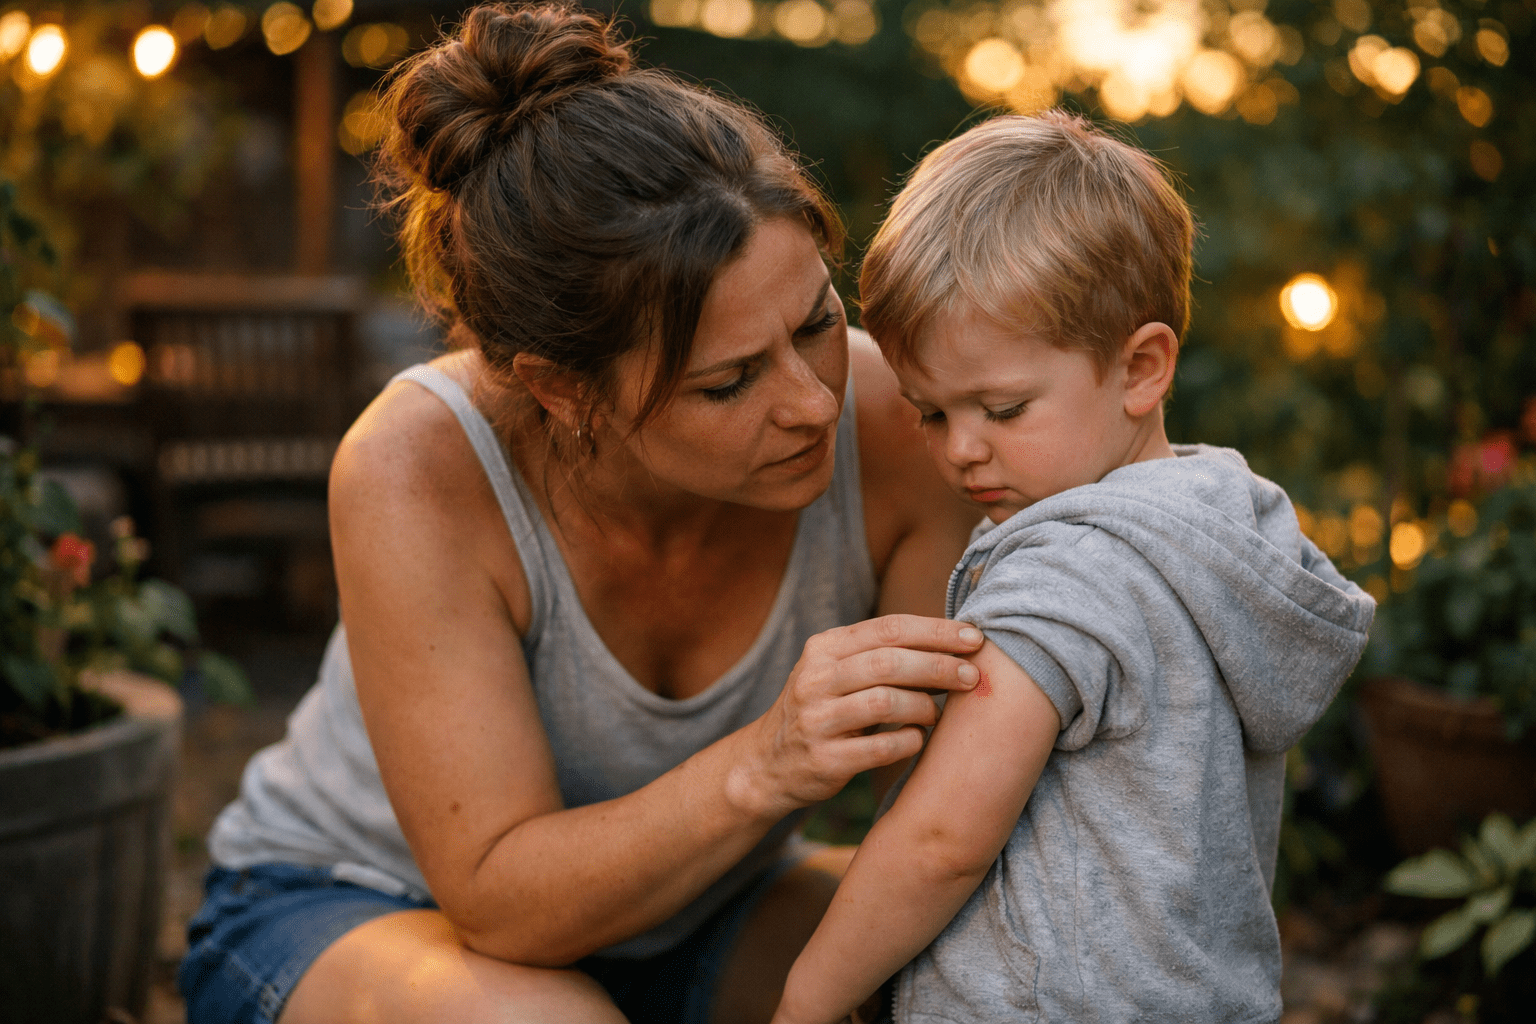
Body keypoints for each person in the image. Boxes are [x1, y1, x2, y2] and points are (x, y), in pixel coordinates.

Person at [175, 4, 984, 1023]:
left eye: (818, 322)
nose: (812, 401)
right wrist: (767, 761)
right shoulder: (418, 467)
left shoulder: (894, 428)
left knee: (981, 969)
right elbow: (500, 900)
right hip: (360, 906)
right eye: (729, 382)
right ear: (562, 391)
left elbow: (941, 805)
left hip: (704, 908)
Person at [771, 112, 1378, 1024]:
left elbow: (942, 840)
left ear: (1141, 368)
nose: (960, 452)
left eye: (1003, 408)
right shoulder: (1213, 537)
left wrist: (808, 1000)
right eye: (931, 413)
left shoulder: (1069, 574)